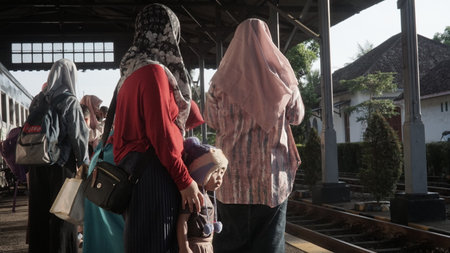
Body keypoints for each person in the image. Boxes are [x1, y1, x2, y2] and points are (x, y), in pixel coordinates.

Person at [204, 18, 305, 253]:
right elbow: (297, 116)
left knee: (229, 246)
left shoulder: (219, 83)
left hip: (231, 182)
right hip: (270, 182)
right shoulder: (283, 79)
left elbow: (211, 120)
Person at [113, 3, 203, 252]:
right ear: (168, 33)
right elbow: (162, 135)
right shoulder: (153, 72)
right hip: (154, 174)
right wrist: (185, 181)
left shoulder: (128, 73)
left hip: (133, 173)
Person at [27, 58, 90, 253]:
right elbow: (78, 135)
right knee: (63, 213)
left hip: (37, 163)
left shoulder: (38, 99)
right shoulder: (69, 100)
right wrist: (84, 162)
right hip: (62, 165)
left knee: (39, 211)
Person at [177, 137, 228, 253]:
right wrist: (184, 246)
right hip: (195, 247)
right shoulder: (193, 195)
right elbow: (182, 220)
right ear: (201, 173)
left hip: (207, 246)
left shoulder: (207, 196)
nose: (220, 177)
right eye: (215, 172)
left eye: (222, 172)